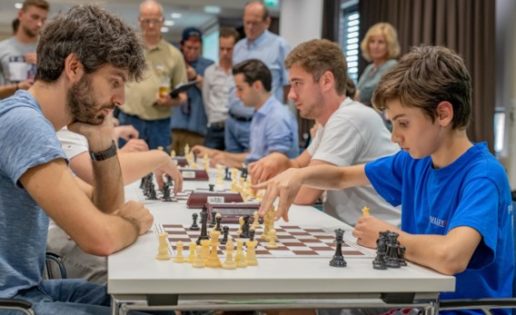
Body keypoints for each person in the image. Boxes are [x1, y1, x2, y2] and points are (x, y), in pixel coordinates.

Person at [257, 46, 514, 307]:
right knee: (290, 302)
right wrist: (298, 175)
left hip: (460, 310)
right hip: (417, 298)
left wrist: (387, 237)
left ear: (443, 114)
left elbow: (452, 256)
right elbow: (342, 177)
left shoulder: (483, 176)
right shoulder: (415, 161)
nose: (394, 137)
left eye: (403, 123)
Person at [0, 5, 152, 314]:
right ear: (74, 68)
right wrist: (132, 224)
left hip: (28, 288)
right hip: (12, 303)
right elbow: (99, 239)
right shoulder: (24, 124)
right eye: (114, 81)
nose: (120, 98)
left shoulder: (33, 121)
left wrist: (102, 144)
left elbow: (104, 206)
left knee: (146, 305)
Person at [249, 39, 400, 226]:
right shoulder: (329, 121)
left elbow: (305, 193)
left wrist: (288, 171)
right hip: (347, 229)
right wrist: (281, 160)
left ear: (326, 81)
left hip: (380, 240)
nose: (291, 95)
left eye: (298, 84)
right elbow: (299, 165)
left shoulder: (348, 119)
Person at [193, 59, 298, 168]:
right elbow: (254, 156)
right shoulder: (260, 113)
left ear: (257, 86)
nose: (237, 95)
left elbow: (276, 165)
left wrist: (235, 164)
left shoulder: (276, 117)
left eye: (240, 89)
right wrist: (215, 154)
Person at [118, 0, 187, 150]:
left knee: (159, 169)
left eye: (155, 21)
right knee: (127, 167)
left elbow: (182, 96)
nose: (150, 25)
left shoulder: (174, 55)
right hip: (129, 120)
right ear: (139, 21)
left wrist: (170, 101)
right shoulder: (127, 50)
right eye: (146, 21)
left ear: (162, 21)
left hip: (160, 124)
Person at [226, 0, 291, 153]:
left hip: (259, 121)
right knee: (228, 173)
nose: (249, 27)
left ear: (267, 22)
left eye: (254, 23)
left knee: (256, 168)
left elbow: (288, 85)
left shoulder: (280, 45)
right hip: (232, 121)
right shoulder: (238, 47)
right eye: (246, 22)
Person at [170, 27, 214, 155]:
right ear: (182, 46)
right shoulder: (174, 64)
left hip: (197, 128)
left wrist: (195, 77)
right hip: (174, 127)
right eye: (189, 48)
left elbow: (213, 92)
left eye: (196, 48)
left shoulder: (209, 66)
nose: (192, 52)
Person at [0, 0, 49, 99]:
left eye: (43, 20)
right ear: (21, 15)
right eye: (35, 17)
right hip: (8, 110)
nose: (39, 24)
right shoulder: (2, 49)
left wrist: (43, 63)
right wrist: (17, 87)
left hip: (40, 111)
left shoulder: (48, 50)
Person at [202, 27, 240, 151]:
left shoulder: (240, 73)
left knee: (234, 166)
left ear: (236, 48)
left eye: (229, 49)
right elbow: (206, 100)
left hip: (235, 126)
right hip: (215, 127)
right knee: (209, 164)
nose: (224, 53)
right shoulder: (209, 72)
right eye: (221, 48)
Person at [356, 22, 400, 107]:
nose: (375, 46)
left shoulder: (392, 65)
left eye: (381, 42)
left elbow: (369, 92)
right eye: (372, 41)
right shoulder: (369, 68)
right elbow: (358, 92)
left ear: (389, 45)